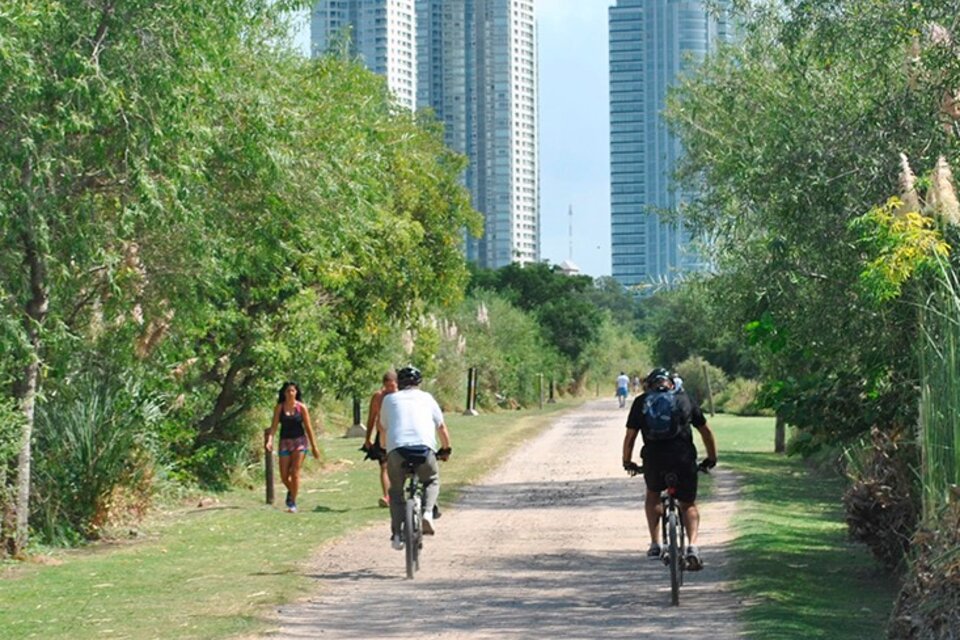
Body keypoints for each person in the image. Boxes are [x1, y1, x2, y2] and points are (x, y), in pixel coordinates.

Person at [622, 367, 717, 570]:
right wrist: (711, 458)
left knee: (653, 495)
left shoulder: (641, 402)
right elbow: (706, 432)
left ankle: (655, 544)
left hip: (654, 459)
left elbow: (630, 437)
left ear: (649, 385)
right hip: (683, 458)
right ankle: (692, 547)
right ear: (671, 384)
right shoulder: (685, 399)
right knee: (688, 504)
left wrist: (627, 462)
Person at [377, 366, 452, 551]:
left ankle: (396, 535)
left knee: (395, 492)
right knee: (432, 479)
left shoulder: (389, 399)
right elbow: (441, 427)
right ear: (419, 383)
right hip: (424, 450)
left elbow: (382, 429)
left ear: (399, 383)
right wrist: (446, 449)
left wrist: (384, 449)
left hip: (397, 452)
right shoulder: (427, 398)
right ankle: (427, 513)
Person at [265, 381, 321, 513]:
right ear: (284, 393)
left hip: (299, 442)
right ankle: (292, 490)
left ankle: (292, 503)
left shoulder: (301, 408)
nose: (290, 393)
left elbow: (308, 428)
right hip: (285, 442)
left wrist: (314, 447)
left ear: (296, 392)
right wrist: (269, 440)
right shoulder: (279, 407)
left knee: (295, 472)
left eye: (293, 391)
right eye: (288, 391)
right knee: (284, 476)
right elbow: (274, 427)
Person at [361, 370, 398, 508]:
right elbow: (371, 418)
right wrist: (367, 437)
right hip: (382, 435)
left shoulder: (401, 397)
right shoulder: (378, 397)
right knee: (384, 466)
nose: (389, 389)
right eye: (387, 386)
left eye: (392, 386)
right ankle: (387, 496)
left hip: (397, 435)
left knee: (398, 466)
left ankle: (396, 493)